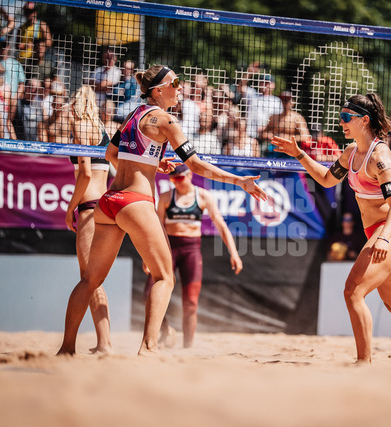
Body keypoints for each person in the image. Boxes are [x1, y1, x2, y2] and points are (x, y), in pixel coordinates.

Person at [57, 65, 267, 356]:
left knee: (90, 280)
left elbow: (111, 154)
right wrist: (239, 180)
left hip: (108, 201)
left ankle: (66, 349)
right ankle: (148, 347)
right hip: (135, 202)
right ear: (158, 90)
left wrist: (151, 164)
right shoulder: (167, 120)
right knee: (165, 278)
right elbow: (195, 165)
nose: (180, 87)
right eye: (175, 82)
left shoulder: (134, 114)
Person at [271, 93, 391, 365]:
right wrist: (299, 154)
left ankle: (363, 363)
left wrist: (384, 238)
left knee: (353, 291)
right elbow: (326, 179)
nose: (341, 122)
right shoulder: (351, 152)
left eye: (346, 117)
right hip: (378, 232)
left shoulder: (380, 157)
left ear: (364, 120)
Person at [144, 163, 244, 348]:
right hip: (168, 248)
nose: (176, 182)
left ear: (189, 175)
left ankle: (187, 348)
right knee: (149, 292)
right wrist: (147, 255)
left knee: (190, 302)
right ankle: (165, 330)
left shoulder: (203, 196)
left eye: (179, 178)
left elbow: (221, 225)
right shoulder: (166, 196)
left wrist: (234, 253)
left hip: (191, 250)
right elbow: (156, 228)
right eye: (173, 179)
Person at [63, 85, 113, 354]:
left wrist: (69, 208)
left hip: (90, 207)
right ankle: (103, 343)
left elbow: (84, 174)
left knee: (89, 278)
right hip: (103, 207)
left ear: (76, 105)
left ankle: (96, 344)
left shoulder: (81, 128)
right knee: (93, 278)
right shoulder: (102, 130)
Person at [260, 91, 311, 157]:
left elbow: (306, 137)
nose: (285, 102)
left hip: (290, 151)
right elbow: (262, 134)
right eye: (283, 100)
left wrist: (288, 138)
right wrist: (269, 135)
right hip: (273, 150)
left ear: (293, 102)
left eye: (287, 100)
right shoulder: (274, 117)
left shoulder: (297, 118)